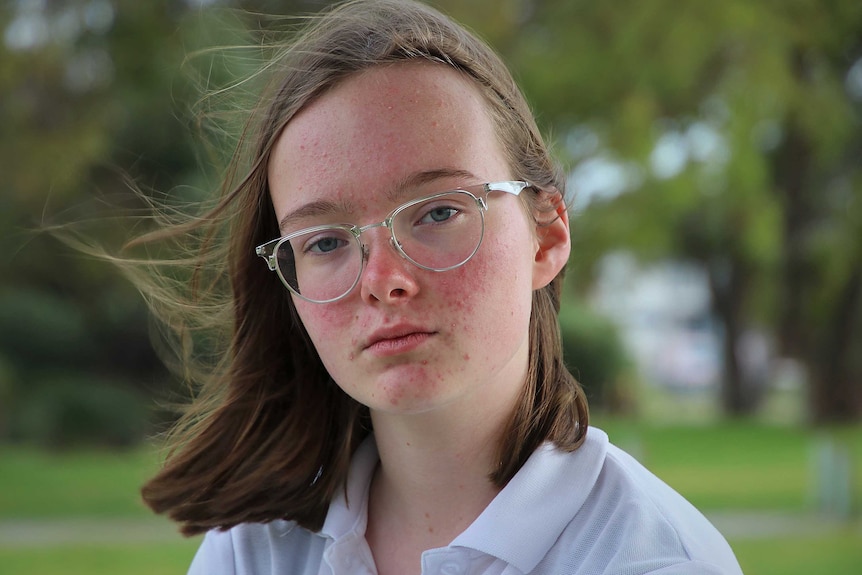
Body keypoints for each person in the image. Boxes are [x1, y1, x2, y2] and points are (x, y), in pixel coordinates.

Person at [136, 0, 744, 573]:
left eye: (436, 212)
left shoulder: (653, 561)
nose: (382, 281)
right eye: (324, 242)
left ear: (548, 237)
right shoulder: (254, 551)